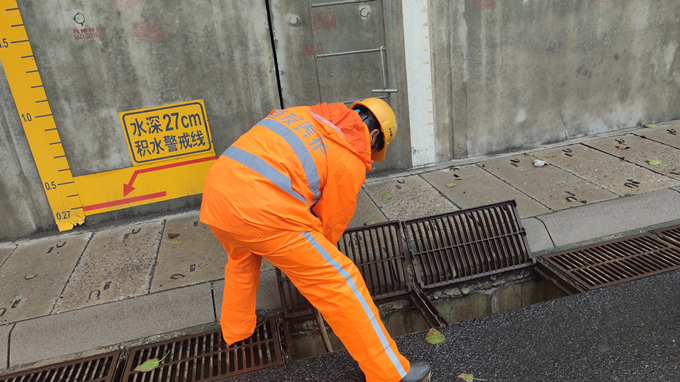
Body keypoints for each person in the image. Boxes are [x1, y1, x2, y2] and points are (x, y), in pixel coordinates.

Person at [200, 98, 431, 382]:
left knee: (242, 258)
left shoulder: (301, 115)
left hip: (217, 198)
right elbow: (329, 225)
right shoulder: (349, 157)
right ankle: (391, 374)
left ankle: (237, 331)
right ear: (373, 136)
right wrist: (319, 263)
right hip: (263, 210)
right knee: (341, 281)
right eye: (376, 148)